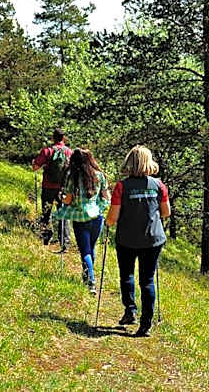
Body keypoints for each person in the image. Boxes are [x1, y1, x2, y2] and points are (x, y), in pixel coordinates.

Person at [106, 145, 171, 337]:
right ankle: (146, 324)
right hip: (153, 239)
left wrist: (107, 223)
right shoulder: (159, 185)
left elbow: (113, 218)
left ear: (129, 162)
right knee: (147, 280)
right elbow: (166, 212)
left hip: (126, 239)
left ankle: (131, 310)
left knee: (127, 275)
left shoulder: (121, 187)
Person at [53, 149, 110, 294]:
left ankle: (90, 281)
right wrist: (100, 208)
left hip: (80, 218)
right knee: (91, 247)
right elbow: (106, 197)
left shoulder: (74, 177)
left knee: (84, 250)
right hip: (97, 217)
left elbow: (69, 199)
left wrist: (61, 198)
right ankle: (87, 276)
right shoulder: (100, 176)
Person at [32, 128, 72, 248]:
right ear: (64, 138)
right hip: (63, 188)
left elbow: (35, 167)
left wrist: (34, 161)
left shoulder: (47, 151)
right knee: (64, 213)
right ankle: (65, 242)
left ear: (53, 138)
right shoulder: (69, 152)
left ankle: (45, 238)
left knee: (46, 212)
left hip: (48, 187)